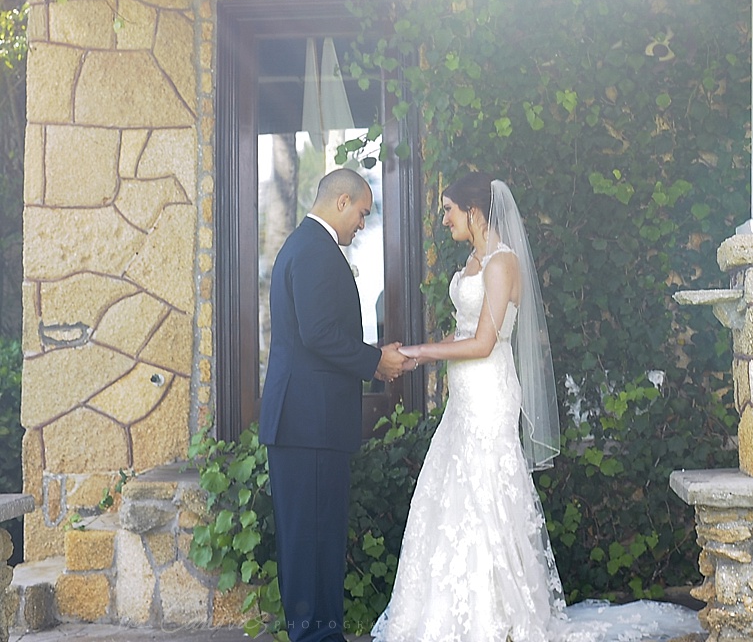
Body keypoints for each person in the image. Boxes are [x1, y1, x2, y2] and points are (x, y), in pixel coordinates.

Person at [371, 172, 700, 642]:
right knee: (452, 493)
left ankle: (499, 617)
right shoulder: (471, 260)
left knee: (487, 493)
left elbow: (484, 342)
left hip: (489, 393)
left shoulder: (502, 264)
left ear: (474, 212)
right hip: (463, 399)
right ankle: (448, 615)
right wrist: (412, 354)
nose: (443, 219)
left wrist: (420, 355)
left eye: (448, 209)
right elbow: (464, 331)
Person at [260, 168, 410, 642]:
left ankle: (320, 634)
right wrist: (376, 363)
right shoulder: (314, 251)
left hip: (308, 423)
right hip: (309, 425)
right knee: (310, 543)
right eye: (363, 213)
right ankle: (315, 637)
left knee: (315, 541)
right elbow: (319, 333)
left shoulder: (308, 247)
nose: (363, 224)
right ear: (341, 202)